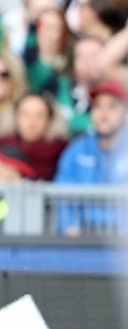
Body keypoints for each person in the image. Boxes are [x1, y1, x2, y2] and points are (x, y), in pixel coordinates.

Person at [54, 78, 128, 237]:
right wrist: (69, 226)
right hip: (83, 239)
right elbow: (62, 195)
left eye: (112, 107)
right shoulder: (76, 150)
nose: (103, 114)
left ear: (125, 112)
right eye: (97, 106)